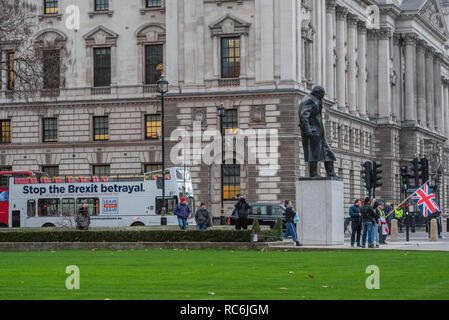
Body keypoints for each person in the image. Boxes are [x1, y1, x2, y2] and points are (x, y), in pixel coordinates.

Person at [298, 85, 338, 178]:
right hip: (313, 132)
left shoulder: (316, 99)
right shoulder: (308, 100)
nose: (323, 97)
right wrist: (308, 131)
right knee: (313, 154)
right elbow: (304, 116)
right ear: (318, 93)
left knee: (328, 153)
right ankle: (313, 174)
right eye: (322, 95)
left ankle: (330, 173)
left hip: (319, 133)